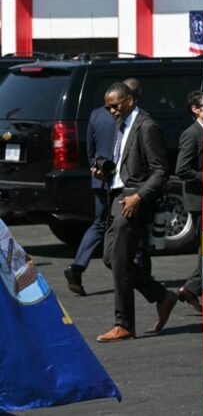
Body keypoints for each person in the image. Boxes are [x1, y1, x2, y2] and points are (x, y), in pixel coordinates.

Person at [96, 80, 178, 342]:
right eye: (107, 107)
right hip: (117, 197)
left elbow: (160, 170)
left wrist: (139, 196)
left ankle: (124, 324)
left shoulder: (147, 125)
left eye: (114, 106)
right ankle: (161, 295)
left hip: (134, 201)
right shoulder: (123, 124)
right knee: (110, 258)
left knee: (119, 260)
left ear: (129, 100)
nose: (111, 111)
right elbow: (126, 164)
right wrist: (106, 171)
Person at [65, 79, 142, 296]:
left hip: (100, 177)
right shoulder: (134, 118)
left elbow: (89, 150)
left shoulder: (97, 114)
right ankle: (137, 273)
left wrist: (96, 168)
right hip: (124, 183)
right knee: (128, 227)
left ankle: (77, 266)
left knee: (99, 224)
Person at [174, 90, 203, 312]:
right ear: (195, 109)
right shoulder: (191, 134)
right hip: (200, 200)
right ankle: (191, 287)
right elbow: (182, 169)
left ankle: (193, 289)